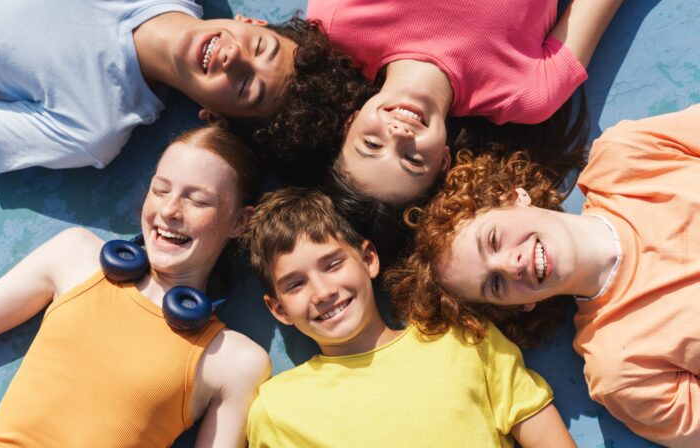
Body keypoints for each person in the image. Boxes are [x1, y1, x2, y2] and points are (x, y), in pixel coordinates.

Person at [0, 125, 270, 447]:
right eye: (160, 189)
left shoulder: (235, 360)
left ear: (240, 221)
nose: (169, 210)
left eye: (197, 201)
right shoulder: (75, 256)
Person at [389, 105, 700, 447]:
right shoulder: (621, 368)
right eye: (495, 284)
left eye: (493, 239)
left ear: (512, 196)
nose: (510, 264)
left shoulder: (626, 157)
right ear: (523, 305)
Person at [0, 0, 366, 176]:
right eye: (259, 47)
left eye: (247, 87)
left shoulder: (91, 127)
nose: (235, 58)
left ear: (218, 119)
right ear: (250, 23)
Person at [307, 0, 667, 204]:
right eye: (413, 160)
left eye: (371, 144)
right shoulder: (525, 93)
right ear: (444, 160)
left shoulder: (336, 22)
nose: (398, 135)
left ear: (349, 123)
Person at [243, 187, 575, 448]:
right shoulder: (277, 411)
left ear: (369, 259)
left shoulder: (466, 339)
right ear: (279, 309)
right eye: (296, 284)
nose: (322, 291)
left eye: (332, 265)